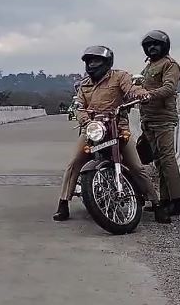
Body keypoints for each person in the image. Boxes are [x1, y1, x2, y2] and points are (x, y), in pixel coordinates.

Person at [53, 45, 163, 222]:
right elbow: (79, 107)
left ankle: (156, 203)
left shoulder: (120, 76)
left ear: (106, 62)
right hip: (93, 129)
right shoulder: (84, 84)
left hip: (117, 127)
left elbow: (131, 90)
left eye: (96, 60)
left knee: (137, 167)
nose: (92, 64)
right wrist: (86, 121)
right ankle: (63, 203)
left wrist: (142, 94)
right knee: (74, 163)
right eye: (89, 61)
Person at [139, 30, 180, 219]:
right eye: (149, 45)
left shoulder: (169, 64)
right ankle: (165, 200)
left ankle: (176, 201)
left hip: (163, 118)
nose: (152, 48)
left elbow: (169, 87)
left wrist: (149, 95)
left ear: (164, 46)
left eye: (156, 44)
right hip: (148, 118)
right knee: (158, 161)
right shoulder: (149, 66)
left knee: (168, 159)